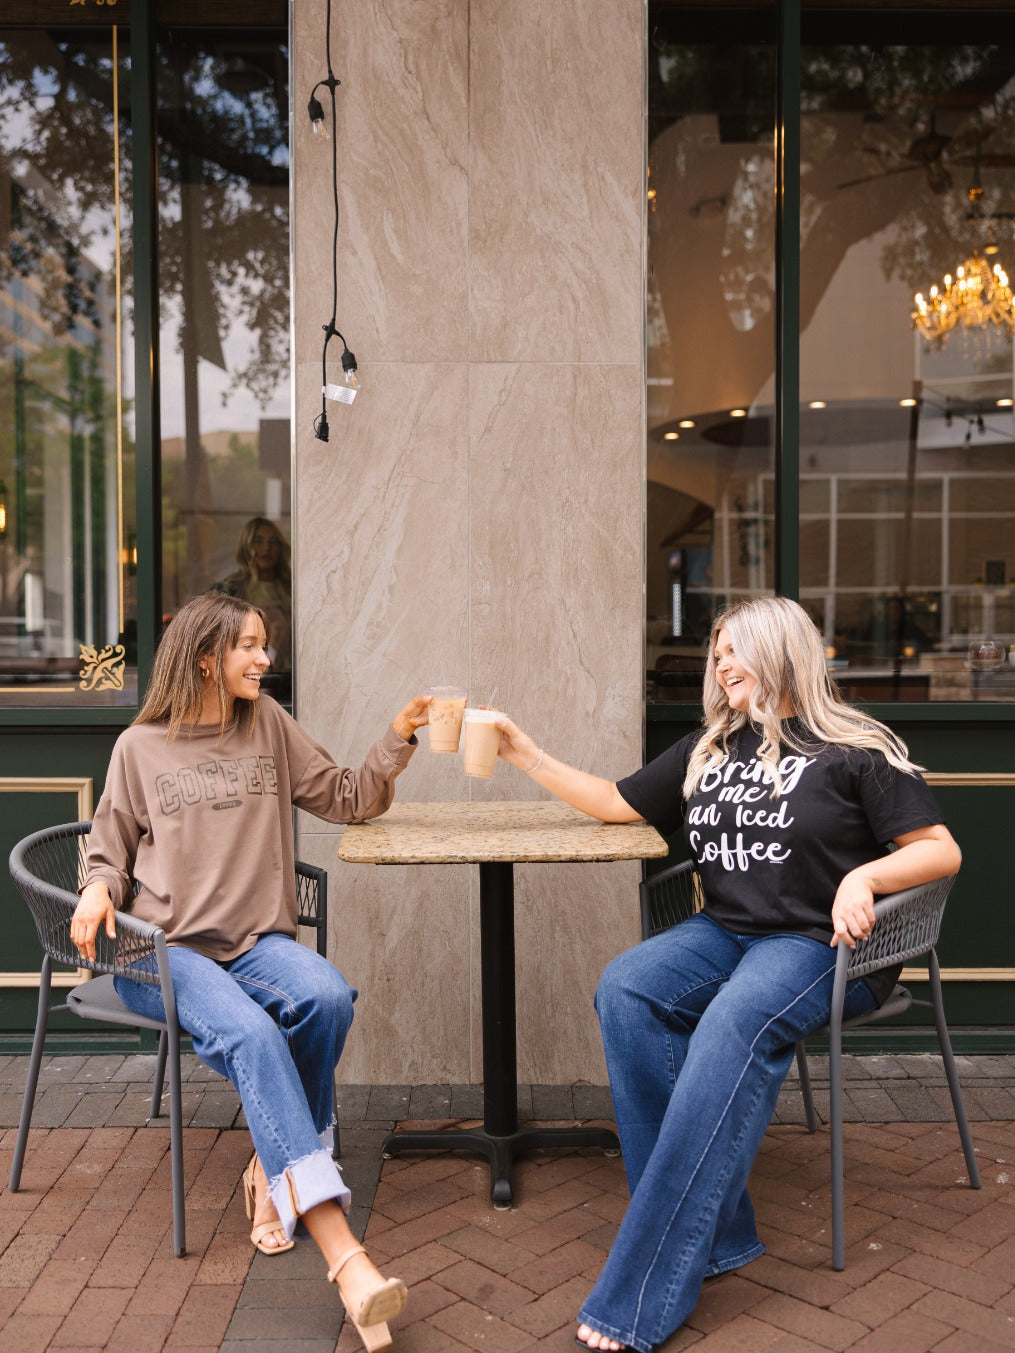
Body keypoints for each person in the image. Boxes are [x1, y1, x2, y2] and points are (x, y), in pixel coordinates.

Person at [493, 595, 960, 1353]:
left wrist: (864, 878)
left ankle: (644, 1288)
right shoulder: (710, 746)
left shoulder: (853, 748)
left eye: (732, 649)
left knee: (732, 1021)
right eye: (716, 655)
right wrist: (525, 754)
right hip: (727, 931)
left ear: (779, 650)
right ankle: (717, 1231)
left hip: (820, 945)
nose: (719, 665)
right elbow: (617, 804)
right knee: (626, 987)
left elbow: (939, 850)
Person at [70, 591, 431, 1353]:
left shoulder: (264, 723)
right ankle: (347, 1258)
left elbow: (345, 796)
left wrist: (398, 737)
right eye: (250, 647)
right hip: (161, 950)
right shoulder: (139, 748)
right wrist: (98, 889)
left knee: (327, 997)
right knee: (252, 1034)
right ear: (207, 657)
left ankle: (273, 1172)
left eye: (264, 645)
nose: (265, 659)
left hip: (254, 942)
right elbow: (105, 849)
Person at [215, 517, 293, 699]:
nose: (266, 548)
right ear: (246, 546)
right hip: (240, 683)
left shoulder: (295, 589)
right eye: (258, 541)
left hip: (287, 682)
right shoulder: (228, 590)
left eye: (273, 542)